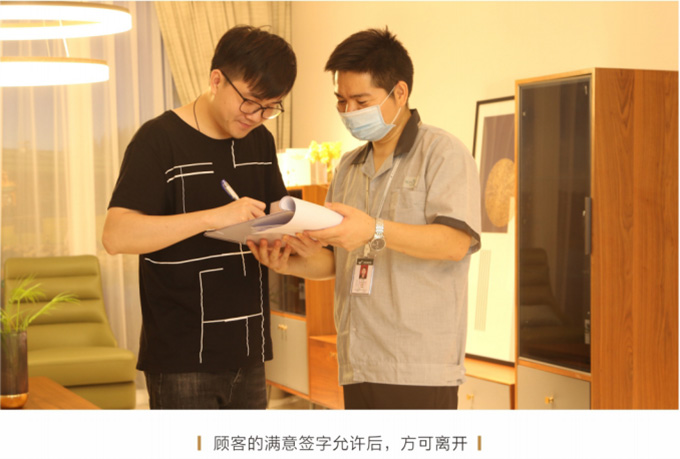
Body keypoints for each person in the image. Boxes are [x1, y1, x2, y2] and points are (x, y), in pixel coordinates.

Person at [248, 27, 481, 410]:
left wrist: (373, 229)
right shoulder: (349, 167)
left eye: (361, 101)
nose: (349, 112)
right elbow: (337, 261)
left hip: (418, 365)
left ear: (400, 93)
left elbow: (456, 244)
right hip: (358, 359)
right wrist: (289, 263)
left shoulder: (442, 154)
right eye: (341, 101)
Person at [102, 25, 296, 409]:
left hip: (249, 349)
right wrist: (212, 218)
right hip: (181, 356)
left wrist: (288, 233)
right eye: (250, 102)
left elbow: (276, 213)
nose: (257, 116)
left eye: (270, 107)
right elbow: (116, 235)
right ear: (216, 80)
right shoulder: (158, 139)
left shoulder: (260, 140)